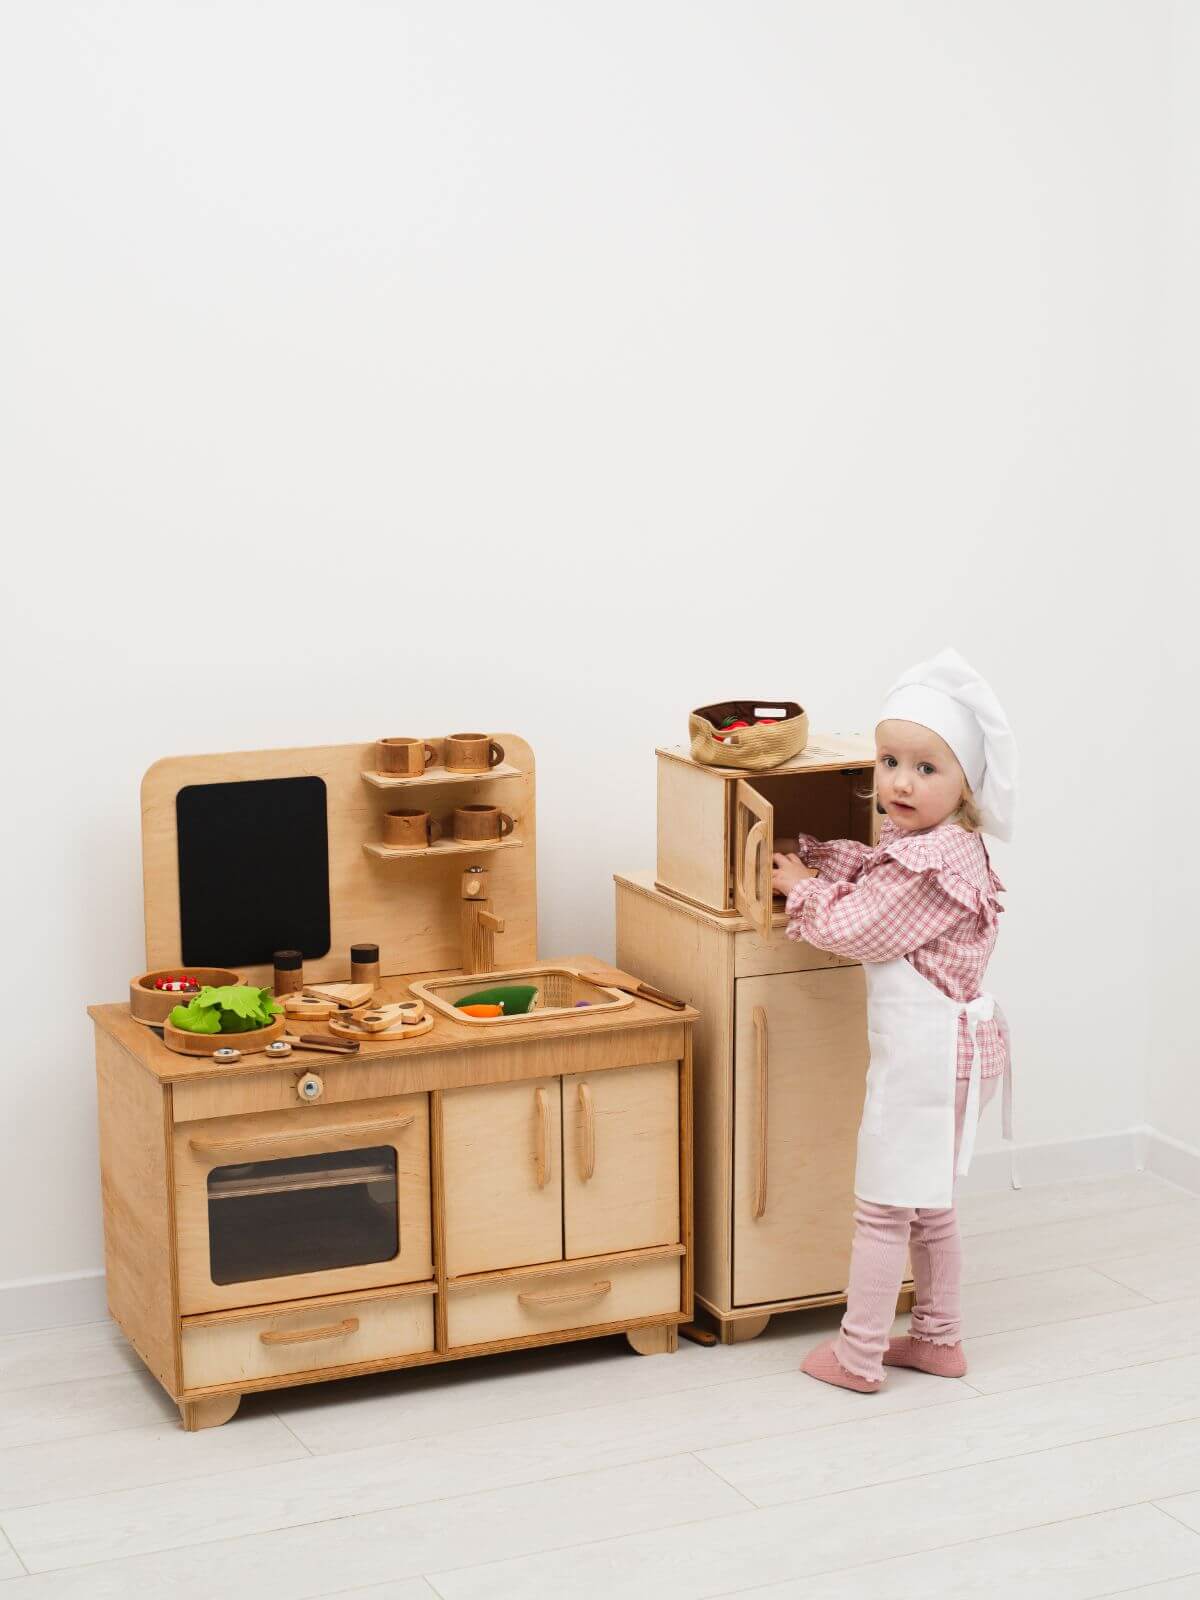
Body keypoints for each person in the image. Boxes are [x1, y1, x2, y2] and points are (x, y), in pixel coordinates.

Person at [771, 647, 1017, 1392]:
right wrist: (816, 856)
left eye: (926, 768)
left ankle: (857, 1354)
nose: (900, 782)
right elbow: (877, 870)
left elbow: (859, 929)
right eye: (888, 761)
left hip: (928, 1060)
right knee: (926, 1205)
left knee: (883, 1208)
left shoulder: (933, 867)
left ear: (965, 782)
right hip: (946, 1055)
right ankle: (938, 1339)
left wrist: (802, 889)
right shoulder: (936, 845)